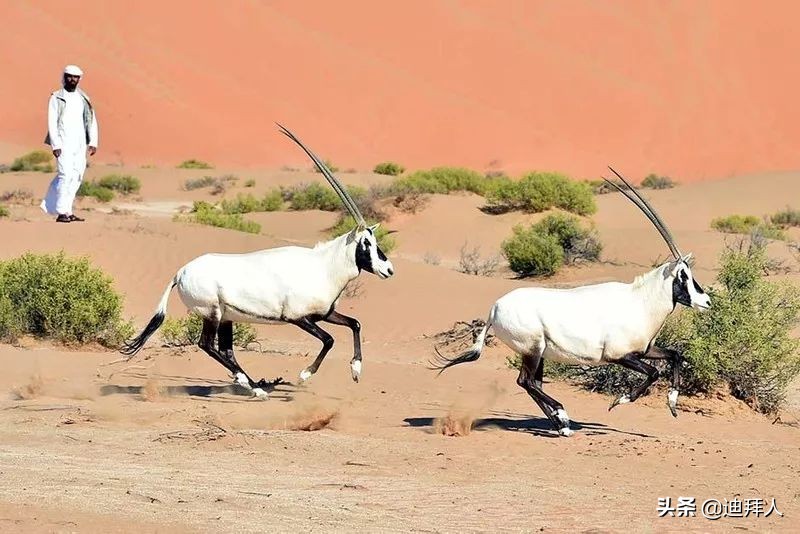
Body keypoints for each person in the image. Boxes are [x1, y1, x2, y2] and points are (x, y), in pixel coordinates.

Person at [40, 64, 98, 222]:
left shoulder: (83, 98)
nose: (72, 79)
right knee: (65, 175)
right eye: (69, 76)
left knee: (76, 176)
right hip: (63, 142)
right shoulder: (56, 97)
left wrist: (93, 141)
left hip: (80, 143)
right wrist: (55, 144)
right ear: (64, 77)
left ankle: (68, 210)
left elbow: (91, 120)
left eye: (75, 77)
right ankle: (60, 212)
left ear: (79, 79)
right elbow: (52, 122)